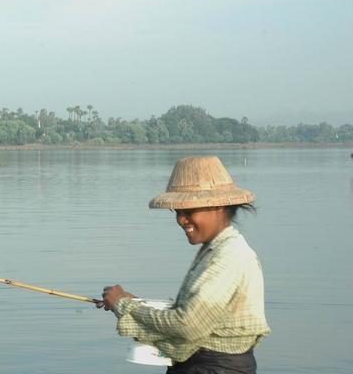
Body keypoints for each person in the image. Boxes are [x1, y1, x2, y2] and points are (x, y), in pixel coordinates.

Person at [99, 156, 270, 373]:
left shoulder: (228, 258)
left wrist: (124, 306)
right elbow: (196, 315)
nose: (181, 220)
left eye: (188, 211)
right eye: (178, 212)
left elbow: (187, 326)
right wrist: (136, 303)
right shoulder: (215, 249)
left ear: (217, 206)